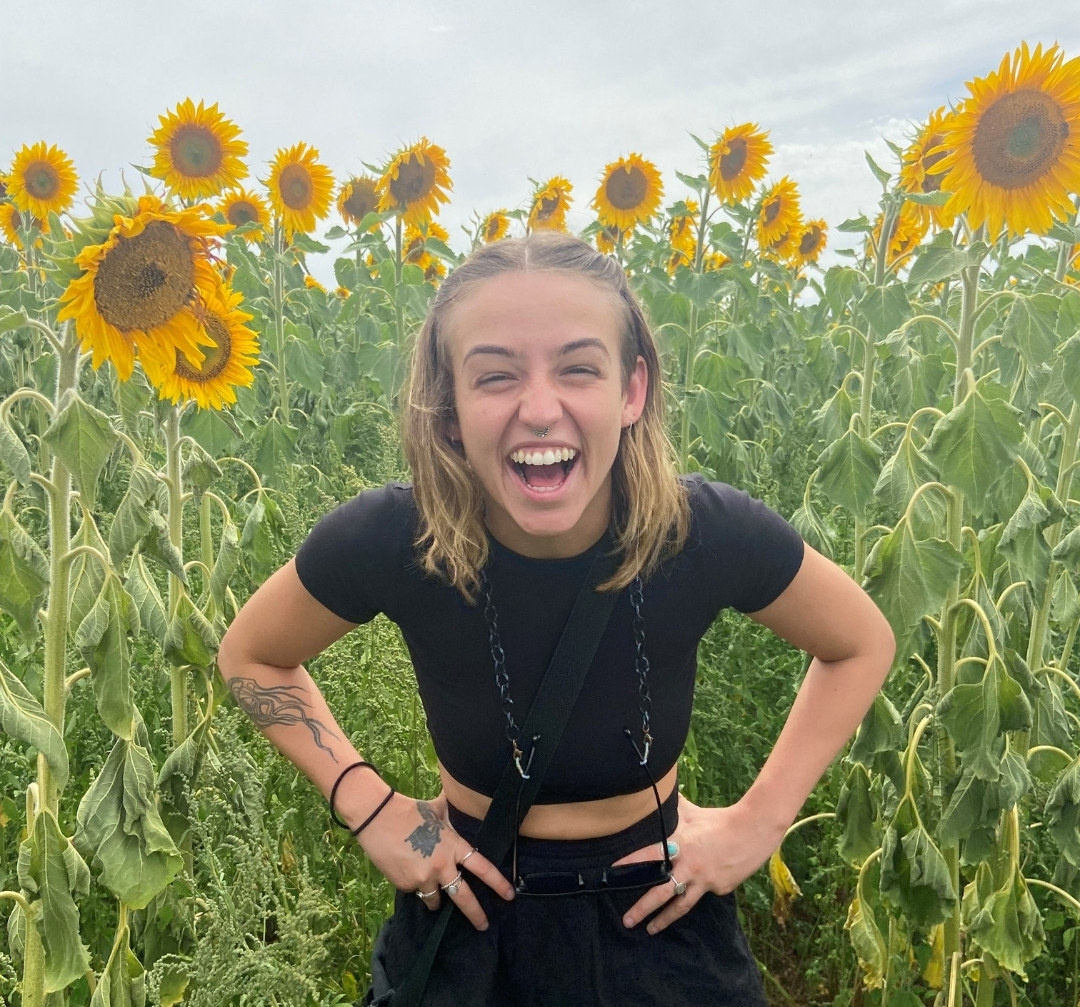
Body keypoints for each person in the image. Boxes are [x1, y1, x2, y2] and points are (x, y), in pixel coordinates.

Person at [217, 232, 895, 1006]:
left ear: (631, 390)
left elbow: (860, 642)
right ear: (446, 408)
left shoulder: (701, 533)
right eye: (496, 376)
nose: (540, 410)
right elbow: (251, 655)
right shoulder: (394, 541)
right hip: (468, 922)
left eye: (578, 369)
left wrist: (760, 823)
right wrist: (370, 808)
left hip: (661, 919)